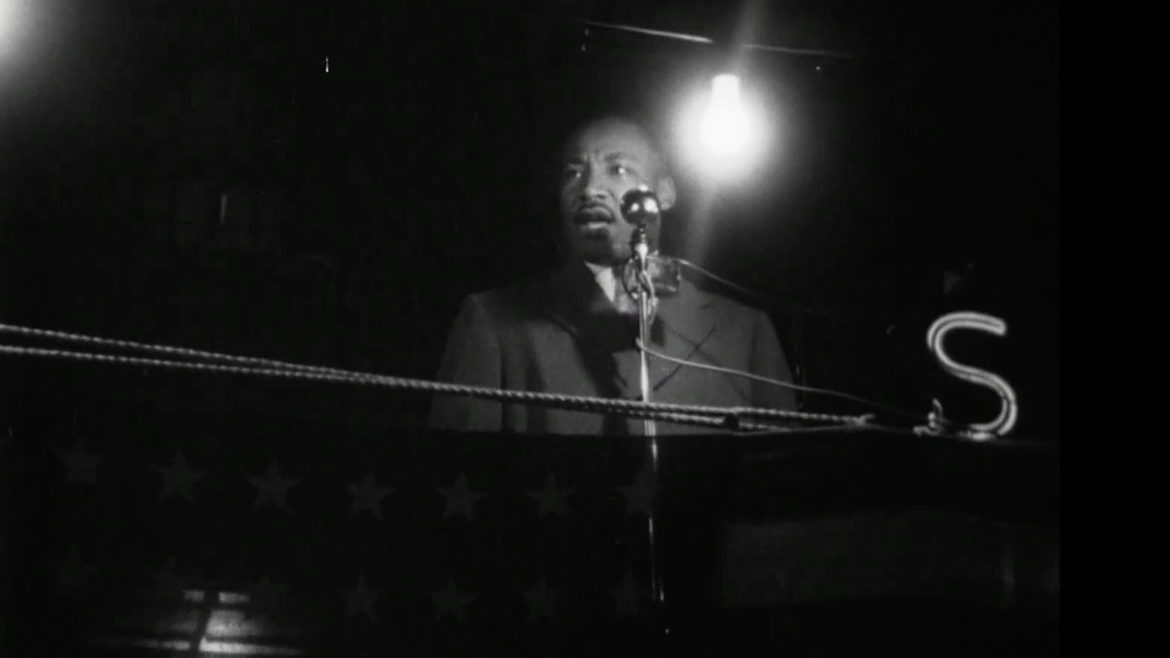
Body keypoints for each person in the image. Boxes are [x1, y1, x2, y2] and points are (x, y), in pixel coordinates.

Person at [428, 116, 797, 435]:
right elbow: (461, 475)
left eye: (618, 169)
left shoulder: (745, 331)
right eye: (573, 173)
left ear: (664, 193)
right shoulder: (495, 322)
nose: (589, 189)